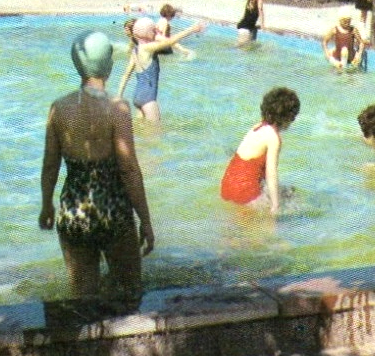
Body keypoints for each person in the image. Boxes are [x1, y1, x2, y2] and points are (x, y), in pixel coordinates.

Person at [39, 29, 155, 306]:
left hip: (73, 209)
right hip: (113, 210)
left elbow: (50, 165)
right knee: (129, 291)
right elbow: (129, 169)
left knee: (82, 297)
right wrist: (145, 220)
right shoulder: (118, 108)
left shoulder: (58, 108)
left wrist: (47, 206)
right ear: (110, 67)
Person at [220, 86, 299, 215]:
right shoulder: (273, 137)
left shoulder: (258, 127)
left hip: (227, 187)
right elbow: (271, 173)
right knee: (290, 204)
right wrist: (275, 206)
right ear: (288, 117)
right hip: (245, 192)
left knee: (288, 192)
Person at [116, 16, 207, 122]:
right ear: (146, 34)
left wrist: (119, 96)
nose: (157, 31)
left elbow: (126, 75)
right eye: (154, 30)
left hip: (137, 97)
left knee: (141, 130)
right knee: (155, 135)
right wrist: (191, 29)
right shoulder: (147, 48)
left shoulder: (135, 51)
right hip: (148, 99)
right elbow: (169, 42)